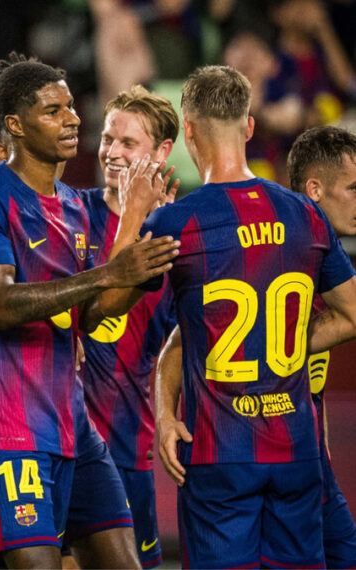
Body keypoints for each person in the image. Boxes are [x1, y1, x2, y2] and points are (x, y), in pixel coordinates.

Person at [103, 66, 356, 568]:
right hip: (297, 450)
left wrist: (132, 215)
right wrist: (273, 348)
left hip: (219, 453)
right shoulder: (306, 215)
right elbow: (351, 315)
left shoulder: (177, 223)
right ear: (250, 128)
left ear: (188, 130)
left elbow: (104, 306)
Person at [0, 53, 178, 569]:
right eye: (53, 111)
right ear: (15, 125)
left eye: (71, 107)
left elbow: (93, 317)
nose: (73, 118)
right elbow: (2, 305)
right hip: (8, 426)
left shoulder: (74, 205)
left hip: (73, 424)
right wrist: (110, 275)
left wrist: (141, 274)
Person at [157, 125, 356, 569]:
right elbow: (179, 341)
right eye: (354, 189)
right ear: (314, 191)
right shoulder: (291, 266)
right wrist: (165, 413)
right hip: (261, 456)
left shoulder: (323, 275)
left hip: (301, 463)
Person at [77, 85, 179, 569]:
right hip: (56, 441)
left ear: (162, 152)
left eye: (128, 143)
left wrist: (168, 415)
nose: (112, 152)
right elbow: (94, 310)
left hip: (126, 447)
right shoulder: (67, 214)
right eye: (107, 138)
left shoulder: (179, 236)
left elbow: (186, 344)